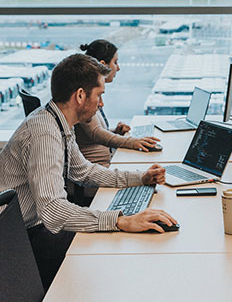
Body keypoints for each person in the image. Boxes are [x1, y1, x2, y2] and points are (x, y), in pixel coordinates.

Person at [0, 53, 177, 290]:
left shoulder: (57, 122)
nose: (101, 103)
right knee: (107, 252)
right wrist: (121, 221)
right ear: (81, 95)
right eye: (100, 95)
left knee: (109, 244)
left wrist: (140, 178)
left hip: (31, 227)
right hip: (16, 238)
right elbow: (53, 210)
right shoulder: (45, 133)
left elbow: (84, 172)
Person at [75, 39, 159, 165]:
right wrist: (131, 142)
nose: (118, 68)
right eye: (115, 62)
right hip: (97, 167)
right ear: (103, 65)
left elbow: (92, 132)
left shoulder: (93, 89)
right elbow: (95, 133)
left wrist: (115, 132)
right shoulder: (86, 94)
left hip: (106, 161)